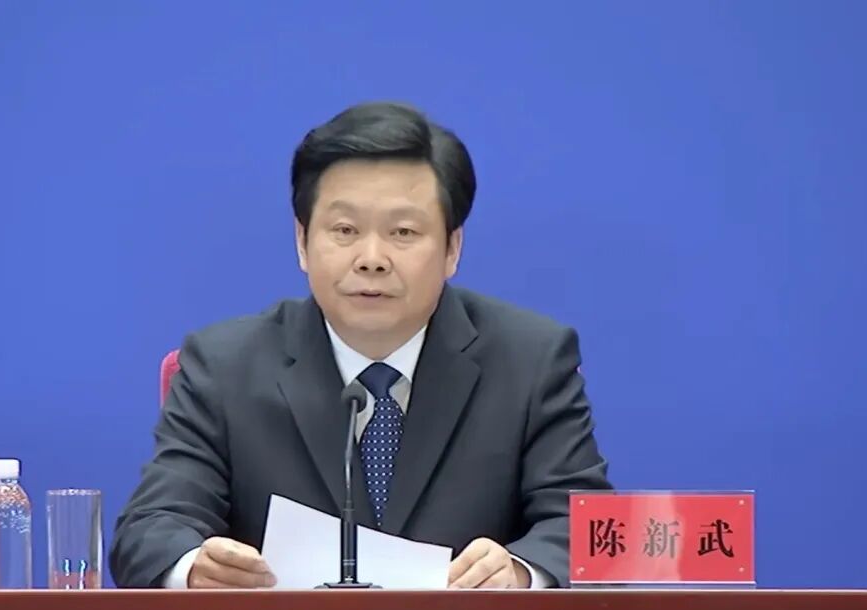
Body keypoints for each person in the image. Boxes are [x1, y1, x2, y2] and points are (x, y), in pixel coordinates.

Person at [110, 101, 611, 589]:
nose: (372, 258)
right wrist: (195, 568)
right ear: (303, 242)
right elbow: (151, 527)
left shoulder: (531, 360)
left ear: (452, 248)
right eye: (345, 230)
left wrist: (521, 573)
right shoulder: (224, 366)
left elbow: (585, 527)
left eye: (403, 231)